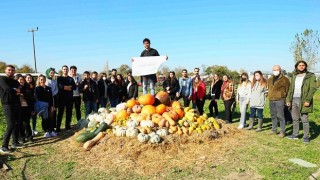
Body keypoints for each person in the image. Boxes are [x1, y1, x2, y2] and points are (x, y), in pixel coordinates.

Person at [286, 61, 317, 143]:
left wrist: (308, 100)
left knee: (304, 118)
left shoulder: (310, 76)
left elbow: (313, 88)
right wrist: (288, 99)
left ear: (306, 66)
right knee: (295, 118)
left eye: (303, 65)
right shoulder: (294, 75)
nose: (301, 66)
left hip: (303, 99)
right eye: (300, 65)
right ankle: (295, 135)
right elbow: (290, 89)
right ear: (296, 66)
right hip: (293, 99)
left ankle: (306, 136)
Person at [0, 65, 24, 153]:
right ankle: (4, 146)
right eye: (9, 70)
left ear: (14, 72)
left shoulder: (14, 81)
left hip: (16, 104)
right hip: (7, 105)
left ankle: (15, 142)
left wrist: (15, 90)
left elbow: (20, 89)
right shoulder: (2, 79)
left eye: (12, 70)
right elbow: (7, 89)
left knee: (16, 123)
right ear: (5, 71)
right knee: (10, 125)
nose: (11, 71)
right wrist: (15, 90)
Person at [267, 65, 290, 137]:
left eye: (277, 69)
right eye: (274, 70)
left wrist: (287, 100)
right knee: (273, 115)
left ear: (280, 70)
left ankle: (282, 131)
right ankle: (274, 130)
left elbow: (288, 90)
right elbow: (269, 88)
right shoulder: (270, 79)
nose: (275, 71)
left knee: (281, 116)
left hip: (280, 99)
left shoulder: (285, 79)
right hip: (271, 99)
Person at [57, 65, 76, 131]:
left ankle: (67, 126)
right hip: (61, 98)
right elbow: (60, 87)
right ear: (62, 70)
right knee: (60, 113)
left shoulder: (71, 78)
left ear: (68, 70)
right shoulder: (59, 78)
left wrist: (65, 87)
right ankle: (58, 127)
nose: (65, 70)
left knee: (69, 112)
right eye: (64, 69)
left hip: (69, 98)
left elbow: (74, 87)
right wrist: (68, 87)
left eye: (66, 69)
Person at [16, 74, 35, 143]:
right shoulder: (15, 88)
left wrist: (32, 109)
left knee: (27, 123)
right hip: (19, 108)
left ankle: (29, 137)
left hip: (27, 107)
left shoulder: (27, 88)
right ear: (17, 80)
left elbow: (31, 99)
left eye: (23, 79)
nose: (22, 81)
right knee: (20, 123)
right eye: (20, 80)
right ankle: (21, 138)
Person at [45, 68, 59, 132]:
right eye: (51, 73)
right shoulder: (45, 80)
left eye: (53, 73)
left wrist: (53, 93)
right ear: (48, 73)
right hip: (47, 99)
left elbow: (56, 89)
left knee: (53, 112)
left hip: (53, 98)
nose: (52, 74)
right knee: (47, 113)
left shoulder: (55, 81)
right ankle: (47, 127)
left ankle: (53, 126)